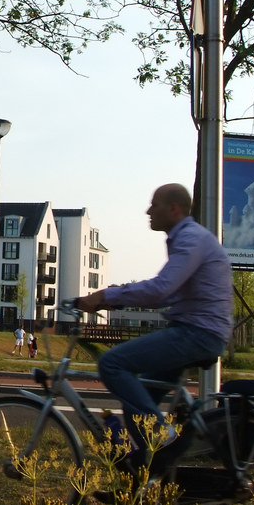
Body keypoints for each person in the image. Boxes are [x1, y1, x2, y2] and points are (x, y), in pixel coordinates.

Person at [73, 183, 233, 468]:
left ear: (174, 209)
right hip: (198, 330)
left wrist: (104, 296)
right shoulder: (186, 238)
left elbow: (161, 289)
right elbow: (169, 294)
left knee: (111, 363)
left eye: (154, 204)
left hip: (198, 333)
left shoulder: (190, 239)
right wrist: (109, 302)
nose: (148, 210)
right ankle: (148, 474)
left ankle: (163, 436)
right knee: (138, 398)